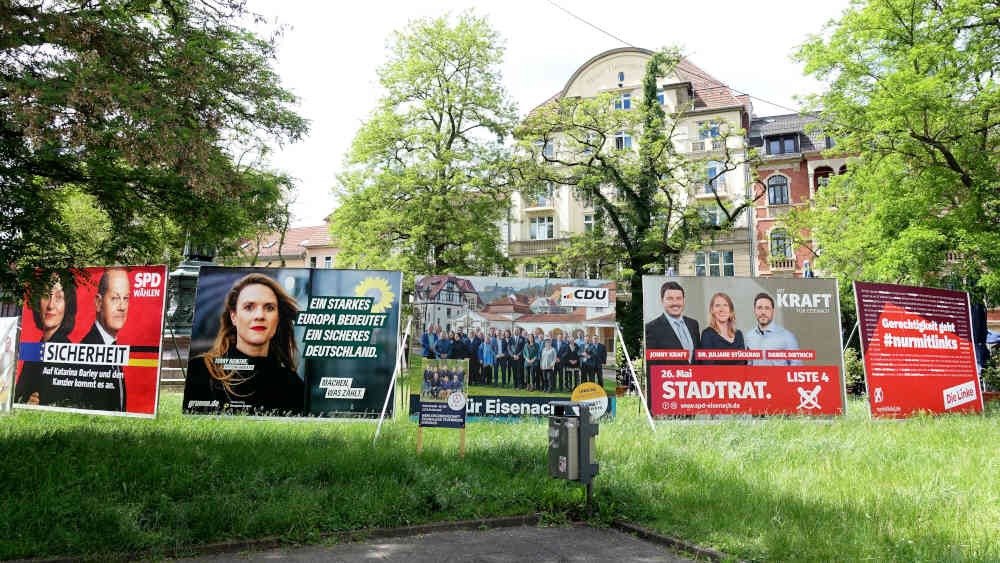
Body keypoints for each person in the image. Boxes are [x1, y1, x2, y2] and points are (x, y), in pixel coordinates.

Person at [183, 273, 305, 415]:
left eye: (269, 308)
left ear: (278, 319)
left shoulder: (292, 384)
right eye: (248, 307)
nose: (259, 315)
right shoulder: (200, 371)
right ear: (233, 317)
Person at [14, 276, 77, 406]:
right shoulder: (38, 347)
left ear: (68, 304)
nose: (50, 305)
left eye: (59, 297)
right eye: (45, 295)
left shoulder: (65, 351)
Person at [644, 281, 700, 365]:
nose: (675, 303)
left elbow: (698, 358)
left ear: (683, 300)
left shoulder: (693, 324)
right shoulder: (651, 328)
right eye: (670, 299)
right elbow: (651, 366)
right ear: (662, 300)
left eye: (678, 298)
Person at [744, 292, 802, 366]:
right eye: (759, 308)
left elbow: (796, 367)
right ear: (754, 310)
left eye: (767, 308)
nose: (763, 312)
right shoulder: (749, 336)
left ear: (773, 311)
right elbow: (749, 365)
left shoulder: (788, 337)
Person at [699, 292, 747, 366]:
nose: (722, 309)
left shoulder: (738, 334)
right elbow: (709, 367)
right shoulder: (707, 334)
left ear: (730, 310)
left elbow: (743, 364)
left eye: (725, 305)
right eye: (717, 306)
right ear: (712, 310)